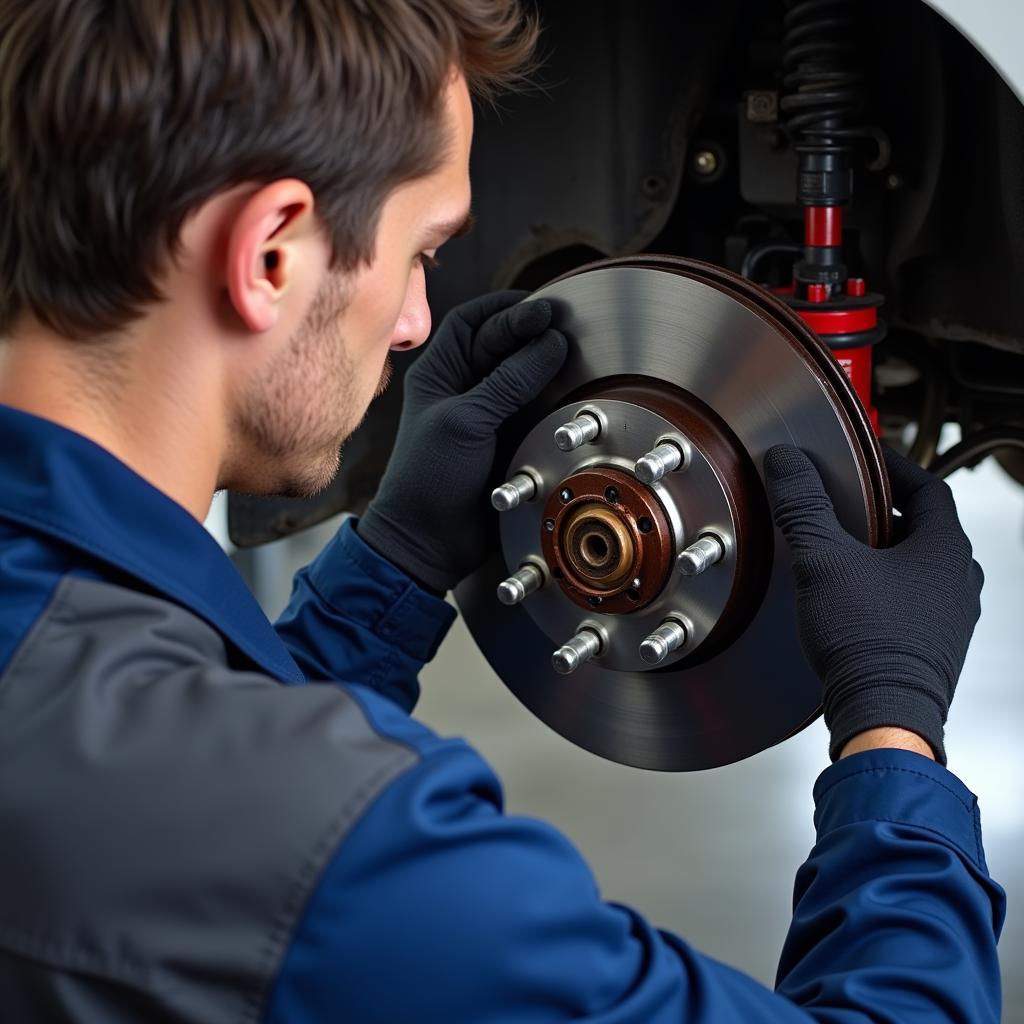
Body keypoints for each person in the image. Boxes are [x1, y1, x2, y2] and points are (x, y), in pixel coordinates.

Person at [0, 2, 1003, 1021]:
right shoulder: (358, 858)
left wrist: (389, 566)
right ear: (271, 253)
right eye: (423, 254)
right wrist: (892, 731)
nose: (415, 323)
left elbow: (182, 800)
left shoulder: (82, 688)